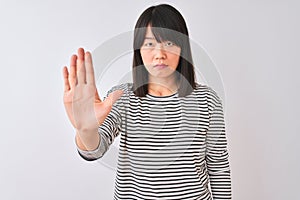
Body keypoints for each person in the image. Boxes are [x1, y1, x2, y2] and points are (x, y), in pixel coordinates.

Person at [62, 4, 231, 200]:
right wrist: (85, 130)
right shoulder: (121, 97)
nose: (160, 54)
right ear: (138, 50)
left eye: (169, 43)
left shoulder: (208, 100)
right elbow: (94, 151)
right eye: (150, 44)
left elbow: (218, 167)